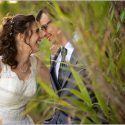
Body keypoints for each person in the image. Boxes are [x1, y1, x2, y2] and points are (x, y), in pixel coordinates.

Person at [36, 9, 98, 124]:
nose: (43, 34)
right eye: (41, 30)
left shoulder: (88, 51)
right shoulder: (56, 57)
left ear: (60, 21)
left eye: (44, 27)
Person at [0, 14, 50, 124]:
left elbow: (58, 88)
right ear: (21, 36)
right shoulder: (1, 65)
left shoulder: (36, 63)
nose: (42, 35)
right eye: (37, 31)